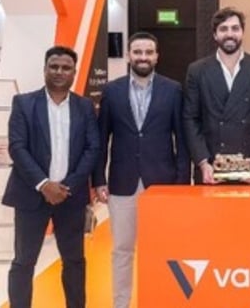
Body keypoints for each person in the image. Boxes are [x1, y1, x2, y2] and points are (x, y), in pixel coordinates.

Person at [92, 32, 191, 308]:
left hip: (163, 185)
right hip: (122, 184)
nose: (143, 57)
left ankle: (161, 301)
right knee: (122, 250)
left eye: (149, 52)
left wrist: (182, 183)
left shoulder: (173, 90)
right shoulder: (112, 91)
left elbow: (182, 140)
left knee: (163, 249)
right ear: (128, 55)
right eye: (137, 52)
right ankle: (121, 303)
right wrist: (98, 179)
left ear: (157, 56)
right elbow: (101, 139)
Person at [2, 45, 100, 308]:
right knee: (24, 262)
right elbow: (17, 147)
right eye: (54, 66)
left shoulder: (84, 107)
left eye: (66, 68)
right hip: (31, 195)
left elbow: (92, 148)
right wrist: (44, 184)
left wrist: (68, 186)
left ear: (74, 72)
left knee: (75, 261)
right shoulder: (24, 103)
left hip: (71, 197)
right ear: (44, 69)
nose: (59, 72)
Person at [183, 7, 250, 184]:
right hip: (210, 167)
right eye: (223, 29)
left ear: (242, 32)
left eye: (235, 28)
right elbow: (190, 118)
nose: (229, 34)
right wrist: (203, 162)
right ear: (215, 35)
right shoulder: (197, 70)